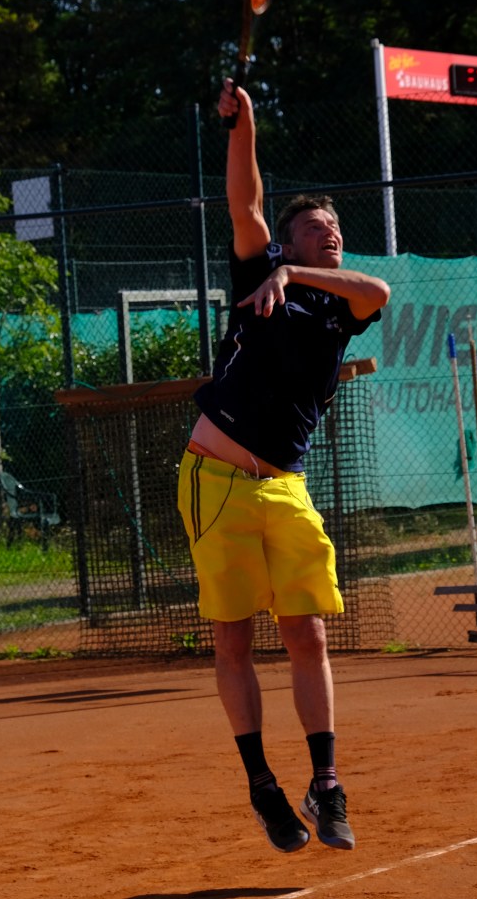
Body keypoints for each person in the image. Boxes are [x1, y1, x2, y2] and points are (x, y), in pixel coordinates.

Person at [177, 79, 391, 854]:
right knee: (233, 641)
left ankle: (325, 782)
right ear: (285, 242)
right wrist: (245, 123)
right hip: (215, 477)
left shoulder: (338, 302)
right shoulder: (254, 268)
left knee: (308, 633)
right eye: (312, 228)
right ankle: (263, 784)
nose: (328, 231)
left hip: (286, 485)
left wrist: (296, 276)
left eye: (334, 226)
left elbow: (378, 289)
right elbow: (247, 202)